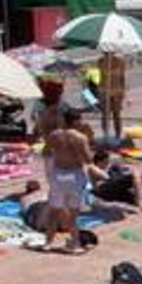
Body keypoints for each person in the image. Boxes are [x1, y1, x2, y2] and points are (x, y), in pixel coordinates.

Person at [41, 108, 97, 254]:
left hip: (58, 173)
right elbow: (88, 159)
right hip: (74, 174)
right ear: (76, 121)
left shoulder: (54, 135)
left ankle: (48, 243)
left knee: (54, 211)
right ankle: (75, 243)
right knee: (73, 213)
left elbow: (46, 152)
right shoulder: (80, 138)